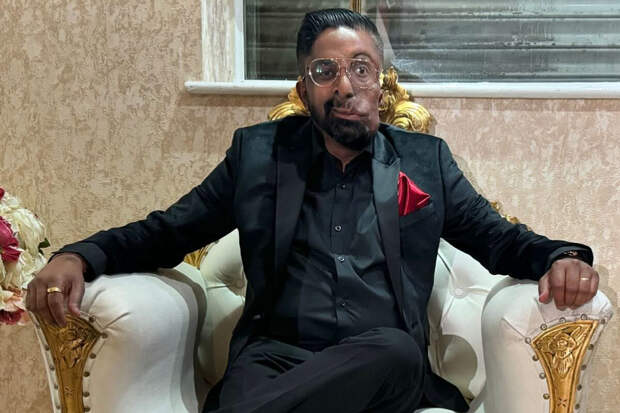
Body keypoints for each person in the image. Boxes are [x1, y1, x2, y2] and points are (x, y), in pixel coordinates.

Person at [27, 8, 599, 413]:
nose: (345, 85)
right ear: (304, 90)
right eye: (326, 71)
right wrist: (79, 256)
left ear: (381, 84)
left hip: (384, 363)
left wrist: (563, 257)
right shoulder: (257, 156)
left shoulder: (425, 163)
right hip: (274, 358)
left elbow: (498, 238)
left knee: (397, 351)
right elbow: (169, 231)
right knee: (253, 384)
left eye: (361, 68)